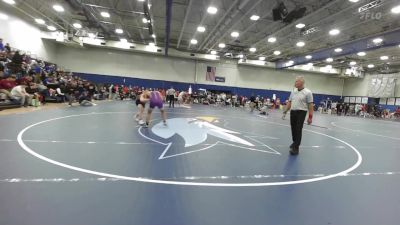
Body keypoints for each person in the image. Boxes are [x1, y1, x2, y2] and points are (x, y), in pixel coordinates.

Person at [282, 76, 314, 155]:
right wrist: (286, 110)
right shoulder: (293, 91)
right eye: (295, 81)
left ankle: (296, 148)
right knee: (293, 129)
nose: (295, 83)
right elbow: (290, 101)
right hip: (293, 112)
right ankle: (295, 142)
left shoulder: (308, 92)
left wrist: (310, 117)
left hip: (301, 112)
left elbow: (310, 105)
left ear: (301, 83)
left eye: (296, 81)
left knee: (298, 129)